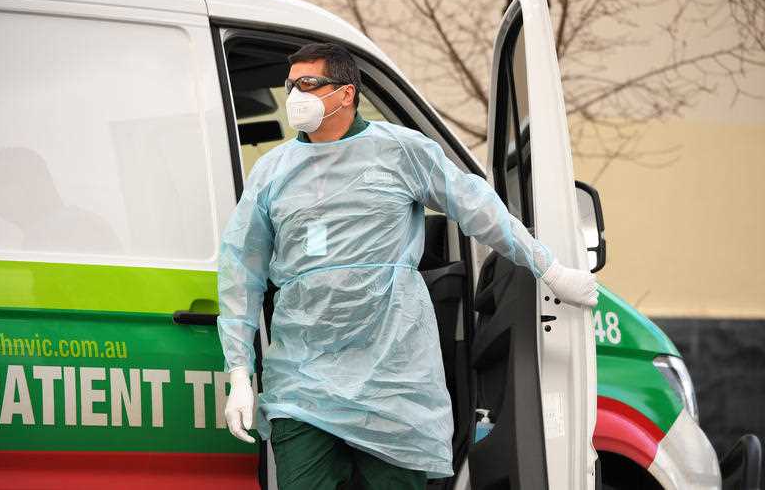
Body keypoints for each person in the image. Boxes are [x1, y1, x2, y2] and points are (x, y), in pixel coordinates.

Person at [217, 42, 598, 489]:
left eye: (308, 84)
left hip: (392, 383)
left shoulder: (401, 152)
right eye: (291, 85)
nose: (294, 95)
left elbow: (480, 210)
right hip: (304, 386)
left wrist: (550, 271)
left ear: (345, 93)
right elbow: (241, 268)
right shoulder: (273, 171)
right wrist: (239, 372)